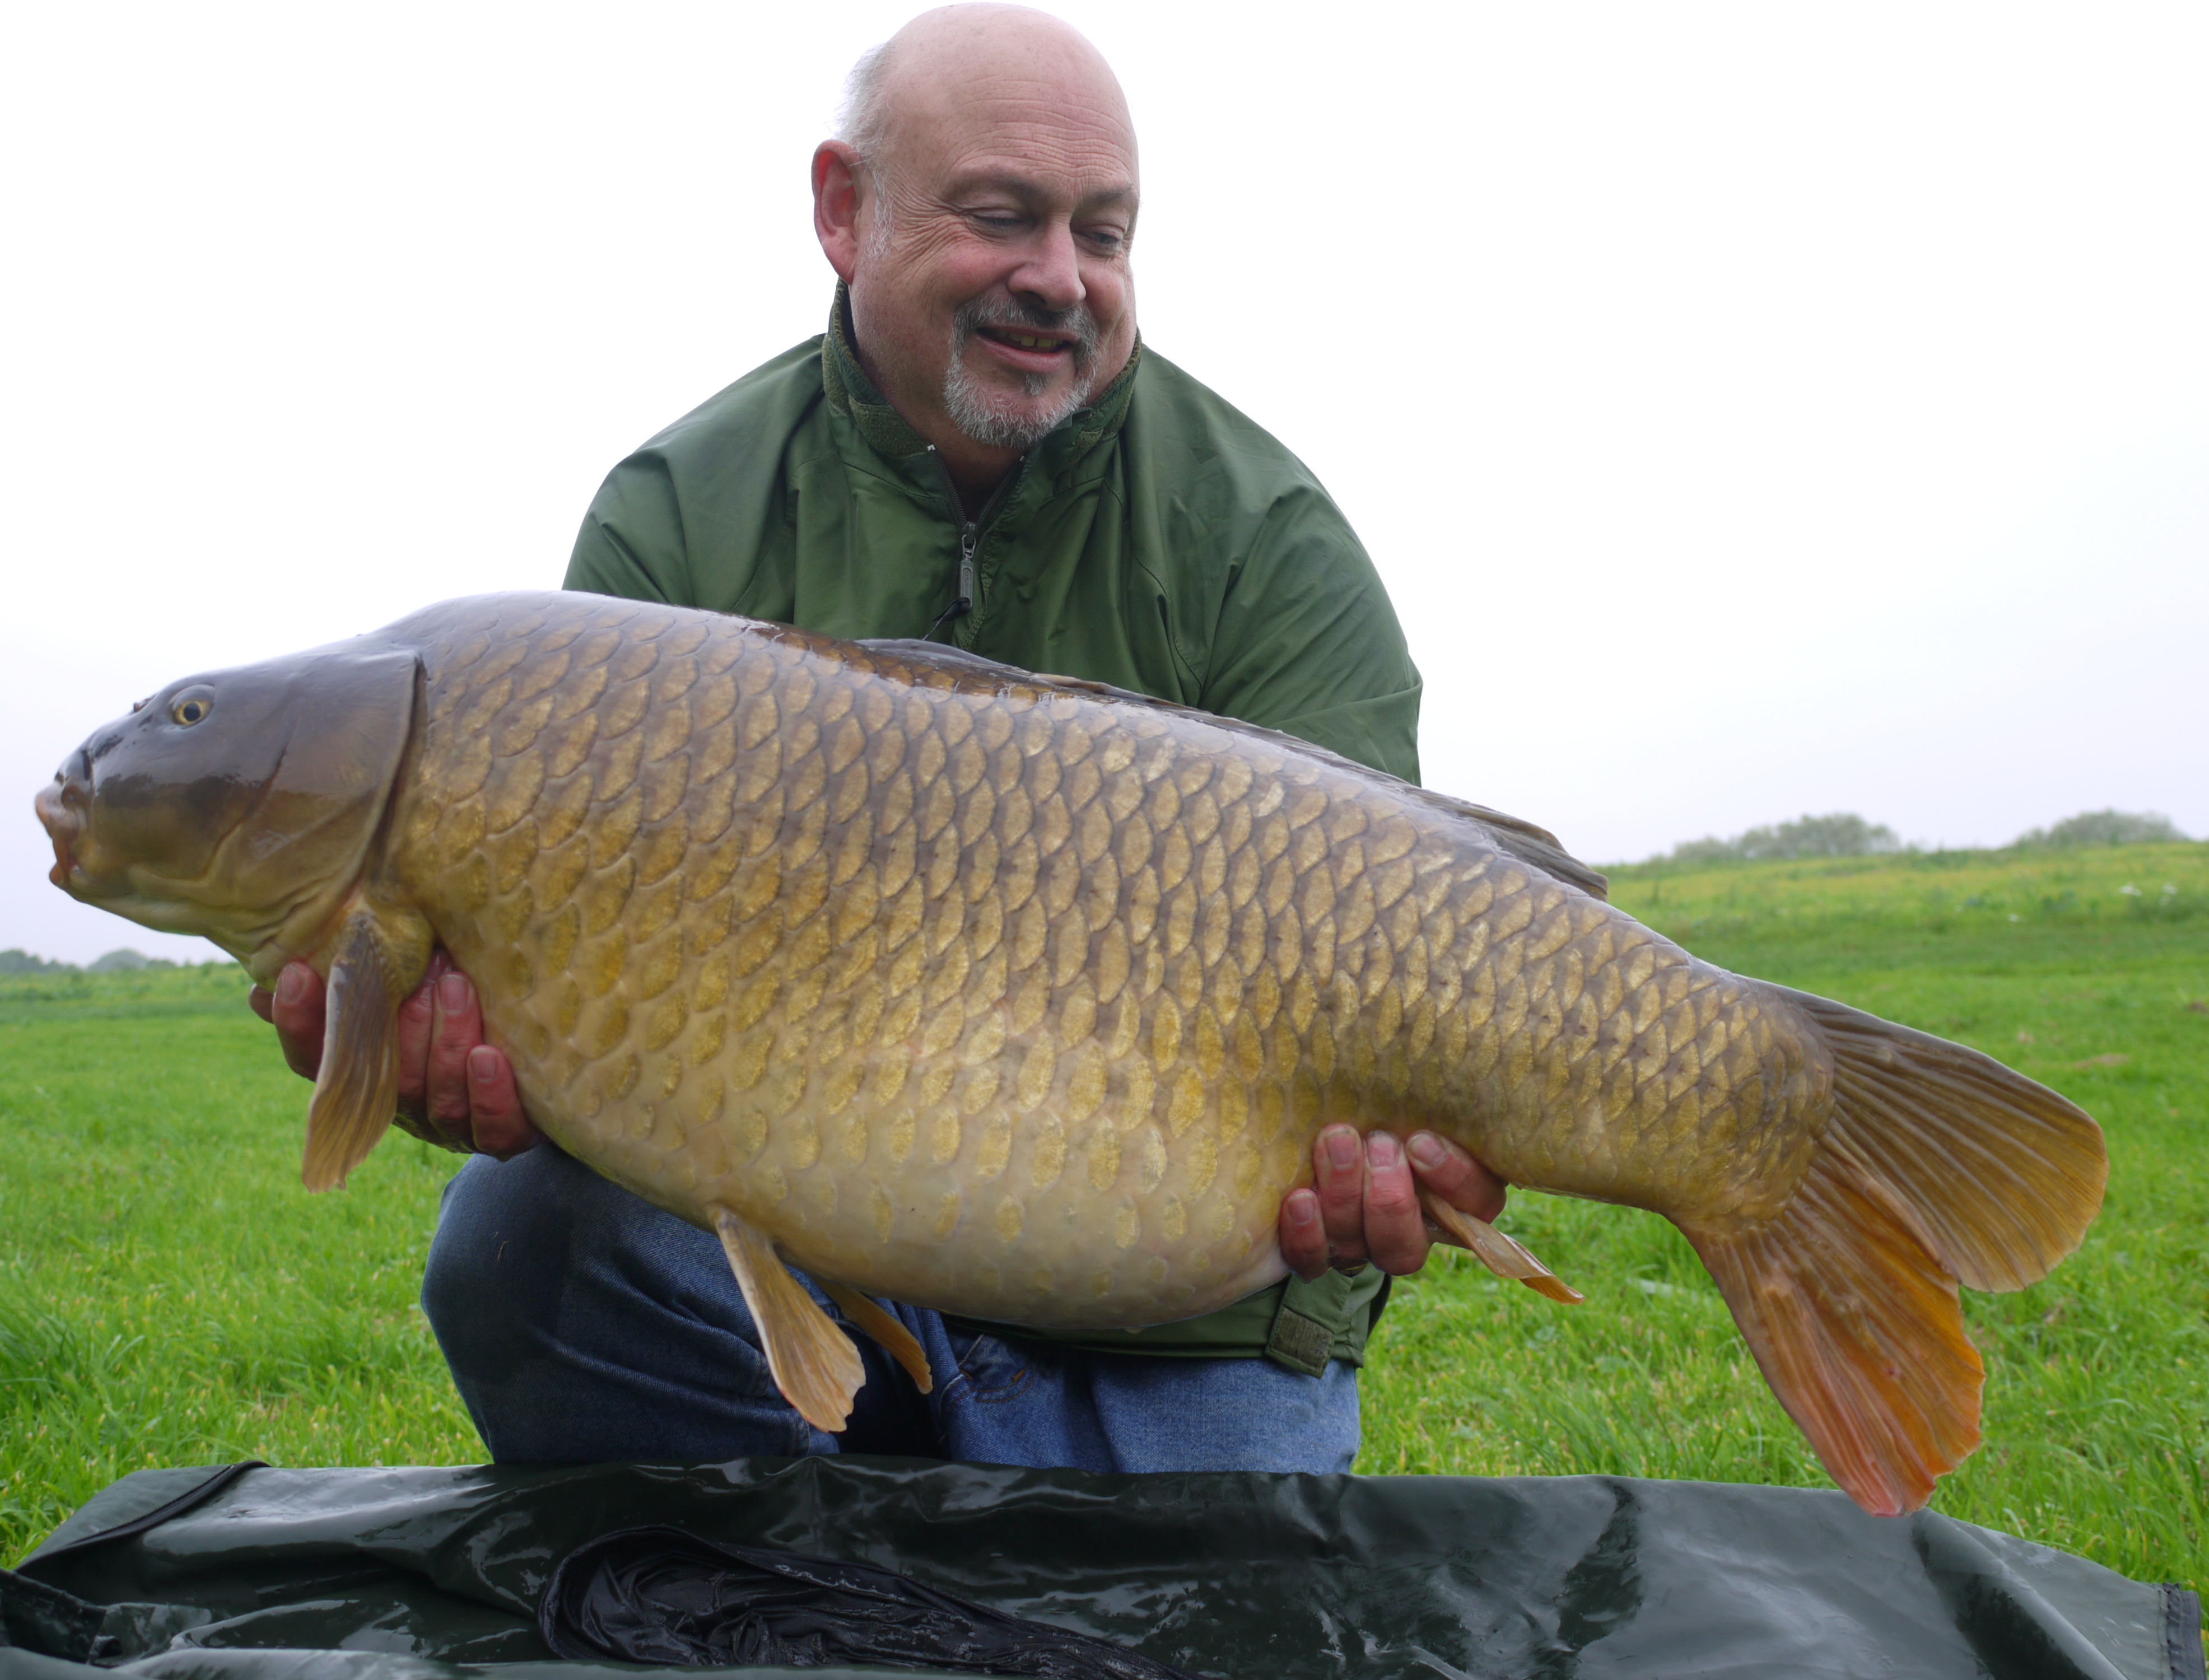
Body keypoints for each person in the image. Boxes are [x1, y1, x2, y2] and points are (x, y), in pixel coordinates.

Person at [253, 3, 1506, 1473]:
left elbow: (1409, 976)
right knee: (518, 1243)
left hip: (1177, 1336)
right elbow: (542, 996)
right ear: (844, 211)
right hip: (784, 1284)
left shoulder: (1266, 545)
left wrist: (1419, 1158)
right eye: (1001, 217)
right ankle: (758, 1586)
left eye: (1102, 234)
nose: (1058, 278)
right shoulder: (677, 517)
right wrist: (458, 1055)